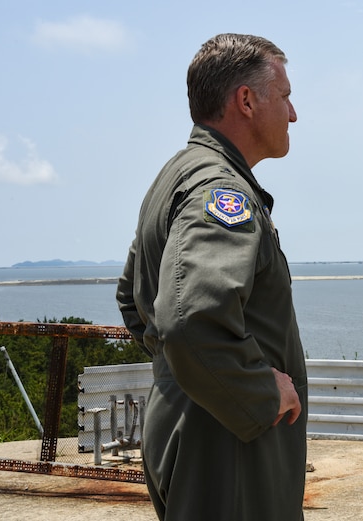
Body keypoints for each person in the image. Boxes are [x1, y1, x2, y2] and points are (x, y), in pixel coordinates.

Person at [115, 33, 307, 521]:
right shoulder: (220, 189)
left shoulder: (178, 175)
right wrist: (260, 389)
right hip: (225, 441)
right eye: (284, 96)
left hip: (204, 423)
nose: (293, 114)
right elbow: (188, 320)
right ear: (246, 100)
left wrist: (183, 376)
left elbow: (134, 300)